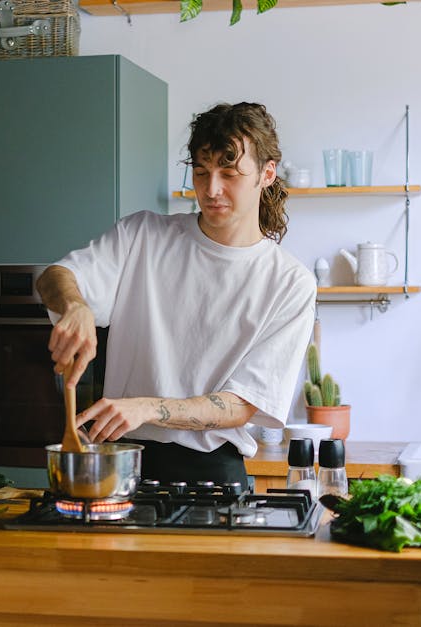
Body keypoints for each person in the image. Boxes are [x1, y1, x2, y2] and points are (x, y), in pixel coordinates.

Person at [36, 102, 316, 487]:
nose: (211, 189)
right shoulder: (142, 236)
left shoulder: (289, 282)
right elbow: (56, 276)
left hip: (213, 476)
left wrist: (148, 408)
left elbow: (240, 405)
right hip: (123, 466)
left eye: (229, 173)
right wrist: (75, 306)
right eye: (201, 172)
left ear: (267, 173)